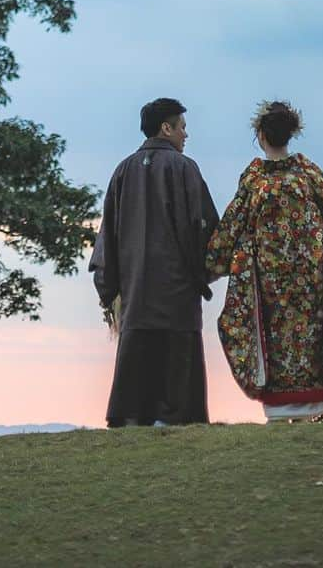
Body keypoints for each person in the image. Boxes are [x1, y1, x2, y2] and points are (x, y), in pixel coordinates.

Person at [205, 101, 323, 422]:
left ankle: (279, 410)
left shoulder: (255, 179)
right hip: (311, 281)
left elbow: (232, 224)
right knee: (310, 339)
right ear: (291, 134)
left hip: (268, 283)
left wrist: (209, 265)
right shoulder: (308, 173)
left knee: (275, 343)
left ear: (260, 135)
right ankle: (310, 412)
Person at [89, 97, 219, 427]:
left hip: (134, 292)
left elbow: (109, 236)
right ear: (166, 128)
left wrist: (109, 289)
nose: (185, 136)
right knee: (178, 379)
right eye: (182, 127)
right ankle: (175, 421)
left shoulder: (123, 171)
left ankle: (132, 419)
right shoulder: (185, 169)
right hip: (177, 293)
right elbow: (205, 228)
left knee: (136, 371)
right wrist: (205, 274)